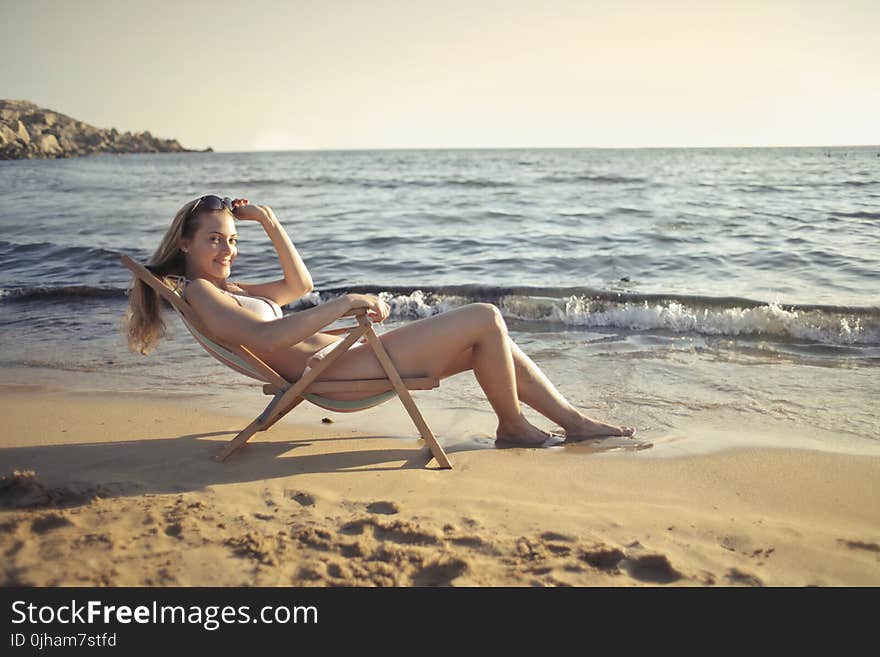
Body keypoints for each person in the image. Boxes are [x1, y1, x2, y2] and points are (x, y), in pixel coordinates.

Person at [126, 195, 635, 445]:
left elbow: (298, 288)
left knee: (491, 335)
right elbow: (266, 335)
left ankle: (572, 422)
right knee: (485, 315)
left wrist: (271, 223)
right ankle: (513, 425)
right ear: (186, 243)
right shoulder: (203, 295)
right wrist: (345, 304)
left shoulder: (225, 290)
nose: (227, 249)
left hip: (344, 360)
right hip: (335, 375)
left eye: (233, 240)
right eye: (215, 238)